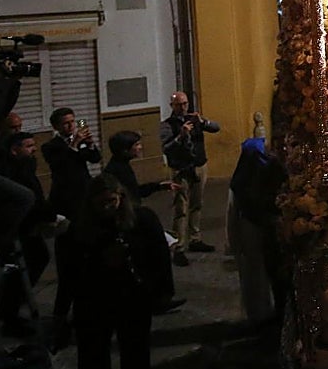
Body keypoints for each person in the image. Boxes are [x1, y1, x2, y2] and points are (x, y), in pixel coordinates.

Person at [60, 174, 164, 369]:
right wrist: (62, 310)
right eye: (102, 204)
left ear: (121, 198)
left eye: (112, 202)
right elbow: (69, 272)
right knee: (93, 356)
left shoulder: (142, 219)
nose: (107, 208)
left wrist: (159, 290)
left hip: (132, 297)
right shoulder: (79, 228)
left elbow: (157, 256)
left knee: (135, 352)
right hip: (94, 300)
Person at [104, 130, 186, 314]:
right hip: (133, 221)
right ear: (125, 150)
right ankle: (158, 298)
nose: (140, 148)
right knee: (155, 256)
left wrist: (158, 186)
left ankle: (157, 297)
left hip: (135, 217)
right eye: (136, 145)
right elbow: (128, 197)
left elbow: (134, 191)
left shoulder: (122, 166)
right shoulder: (116, 170)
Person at [41, 106, 102, 348]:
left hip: (84, 201)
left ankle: (86, 312)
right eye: (65, 124)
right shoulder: (51, 147)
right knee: (68, 263)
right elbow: (62, 167)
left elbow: (94, 159)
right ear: (56, 126)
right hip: (66, 205)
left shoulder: (79, 140)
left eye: (72, 122)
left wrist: (90, 145)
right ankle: (60, 321)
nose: (70, 127)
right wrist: (73, 145)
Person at [0, 128, 60, 336]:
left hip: (28, 227)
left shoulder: (24, 167)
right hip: (21, 230)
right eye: (29, 147)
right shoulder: (17, 171)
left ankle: (10, 310)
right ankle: (9, 312)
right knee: (33, 260)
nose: (33, 151)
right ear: (14, 150)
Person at [226, 122, 289, 323]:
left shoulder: (252, 174)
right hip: (254, 228)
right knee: (256, 274)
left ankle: (264, 313)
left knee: (259, 273)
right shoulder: (249, 178)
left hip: (256, 227)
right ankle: (261, 314)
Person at [158, 91, 220, 266]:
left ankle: (195, 238)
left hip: (199, 166)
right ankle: (178, 246)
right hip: (181, 170)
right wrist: (181, 136)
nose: (183, 107)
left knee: (197, 204)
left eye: (185, 103)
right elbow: (166, 148)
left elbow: (216, 128)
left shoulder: (194, 120)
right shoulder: (167, 125)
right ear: (172, 106)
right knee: (181, 208)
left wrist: (203, 122)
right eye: (179, 105)